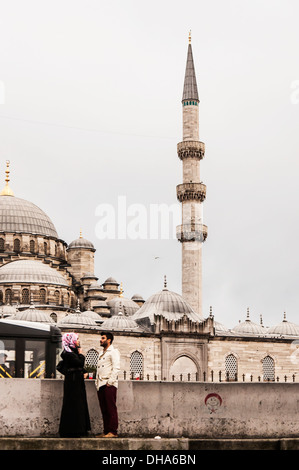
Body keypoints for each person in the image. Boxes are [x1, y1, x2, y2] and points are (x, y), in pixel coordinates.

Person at [58, 332, 91, 438]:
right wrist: (81, 353)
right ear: (70, 341)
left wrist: (84, 371)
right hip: (73, 382)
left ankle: (80, 429)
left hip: (77, 380)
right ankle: (72, 430)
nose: (78, 341)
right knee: (73, 404)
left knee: (79, 403)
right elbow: (79, 363)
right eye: (76, 339)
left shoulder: (71, 352)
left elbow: (78, 366)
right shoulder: (67, 353)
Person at [95, 332, 120, 438]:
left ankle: (113, 431)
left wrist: (110, 382)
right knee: (104, 409)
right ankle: (106, 431)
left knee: (111, 408)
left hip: (109, 384)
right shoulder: (102, 353)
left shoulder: (113, 352)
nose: (101, 340)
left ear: (109, 340)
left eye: (103, 338)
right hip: (100, 384)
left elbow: (116, 367)